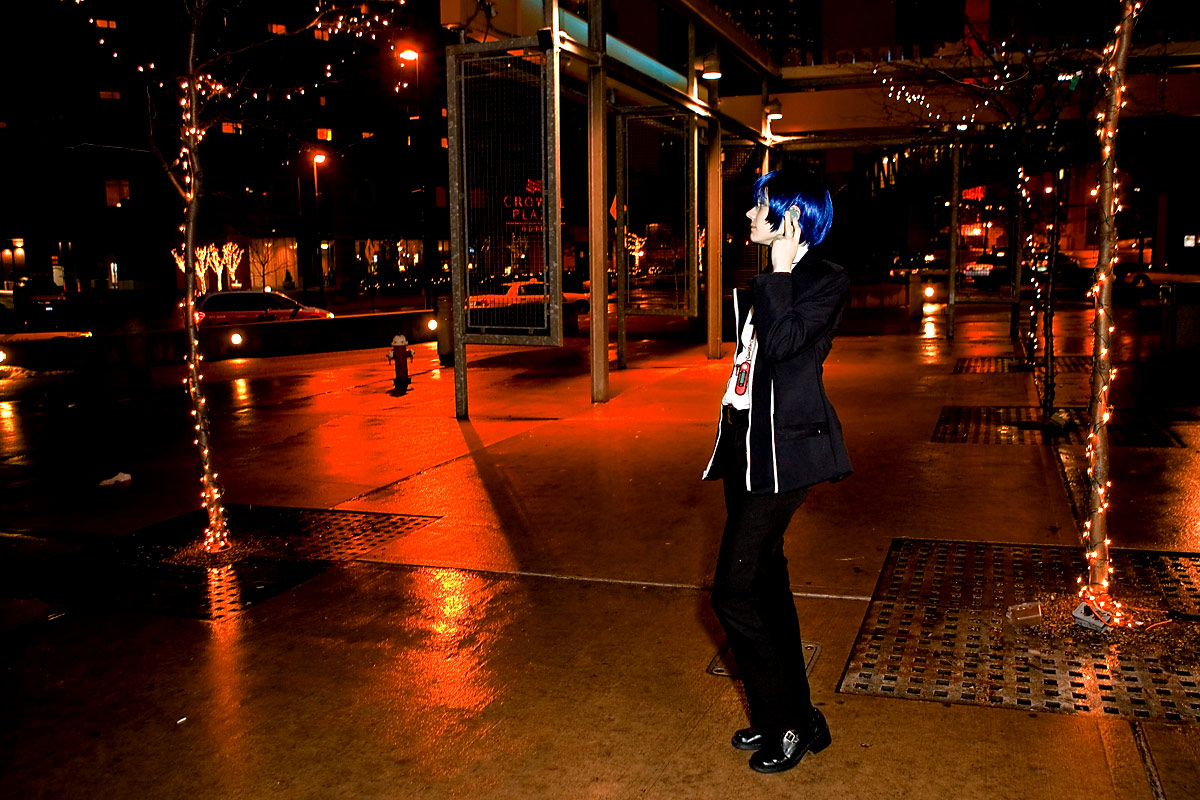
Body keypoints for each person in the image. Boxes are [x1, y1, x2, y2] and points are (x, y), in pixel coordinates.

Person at [702, 167, 852, 774]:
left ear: (790, 215)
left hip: (784, 457)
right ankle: (794, 718)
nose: (748, 214)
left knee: (733, 593)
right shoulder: (774, 277)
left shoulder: (823, 279)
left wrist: (783, 272)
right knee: (765, 587)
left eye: (759, 206)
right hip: (746, 448)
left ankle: (786, 721)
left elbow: (787, 345)